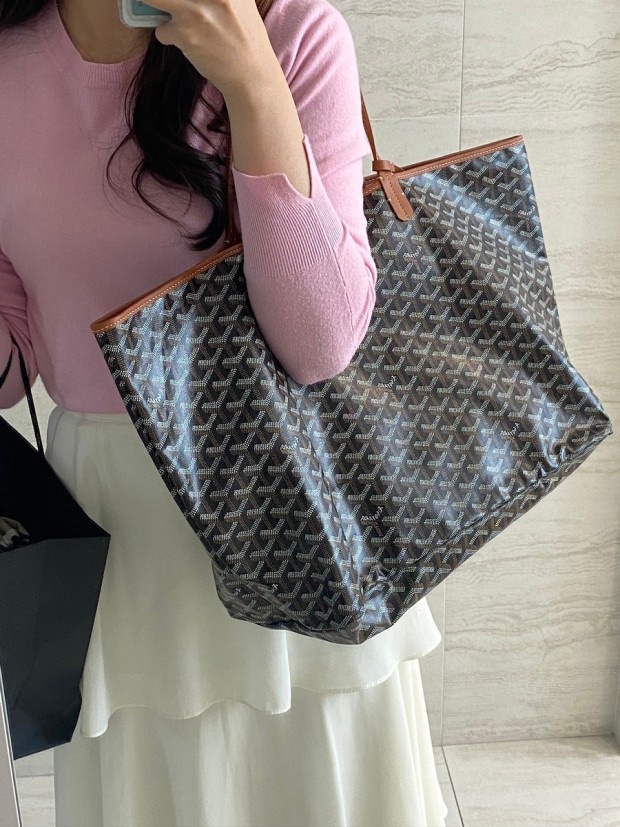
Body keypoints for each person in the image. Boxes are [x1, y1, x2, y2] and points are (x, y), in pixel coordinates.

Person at [0, 0, 449, 824]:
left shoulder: (290, 32)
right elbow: (11, 359)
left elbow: (319, 343)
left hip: (299, 523)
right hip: (120, 555)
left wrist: (251, 80)